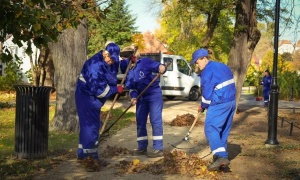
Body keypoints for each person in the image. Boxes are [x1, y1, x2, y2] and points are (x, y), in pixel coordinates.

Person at [75, 42, 123, 161]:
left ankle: (82, 154)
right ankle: (90, 159)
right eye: (110, 59)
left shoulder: (110, 60)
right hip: (86, 96)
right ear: (105, 53)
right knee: (91, 126)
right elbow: (100, 91)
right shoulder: (94, 66)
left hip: (93, 98)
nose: (111, 62)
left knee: (87, 126)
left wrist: (130, 62)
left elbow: (119, 65)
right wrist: (115, 89)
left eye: (113, 59)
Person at [190, 48, 236, 171]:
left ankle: (220, 157)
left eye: (197, 61)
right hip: (231, 102)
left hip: (219, 103)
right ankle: (222, 161)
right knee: (222, 131)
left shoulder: (207, 72)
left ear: (204, 59)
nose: (196, 64)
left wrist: (203, 106)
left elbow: (207, 95)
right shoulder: (222, 66)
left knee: (211, 128)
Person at [124, 49, 166, 158]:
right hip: (141, 97)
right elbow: (132, 88)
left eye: (126, 57)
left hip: (153, 94)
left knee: (155, 120)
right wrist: (133, 97)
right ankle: (142, 147)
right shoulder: (129, 72)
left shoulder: (144, 62)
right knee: (140, 121)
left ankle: (158, 148)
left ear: (132, 57)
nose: (124, 59)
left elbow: (158, 66)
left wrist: (162, 67)